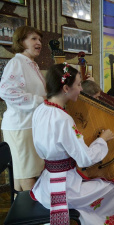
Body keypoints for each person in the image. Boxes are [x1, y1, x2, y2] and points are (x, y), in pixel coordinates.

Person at [30, 63, 114, 225]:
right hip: (64, 187)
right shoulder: (63, 119)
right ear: (65, 89)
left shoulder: (41, 109)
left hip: (46, 182)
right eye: (78, 85)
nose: (81, 89)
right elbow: (85, 159)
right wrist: (102, 140)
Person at [0, 26, 45, 192]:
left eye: (39, 39)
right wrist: (40, 100)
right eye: (33, 39)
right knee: (27, 174)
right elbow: (7, 92)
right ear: (21, 42)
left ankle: (23, 213)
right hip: (20, 126)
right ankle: (35, 216)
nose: (39, 42)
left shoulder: (30, 64)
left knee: (23, 174)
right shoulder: (17, 62)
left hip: (29, 125)